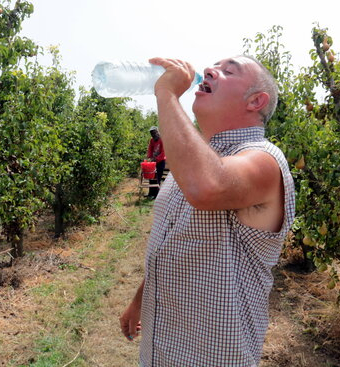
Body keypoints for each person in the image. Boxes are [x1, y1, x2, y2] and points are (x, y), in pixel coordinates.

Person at [119, 55, 295, 367]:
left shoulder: (265, 161)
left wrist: (167, 94)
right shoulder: (192, 163)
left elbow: (207, 187)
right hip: (161, 350)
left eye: (229, 71)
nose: (211, 70)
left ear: (256, 100)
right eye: (214, 66)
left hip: (212, 356)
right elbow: (173, 242)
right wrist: (139, 301)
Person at [146, 126, 166, 199]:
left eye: (154, 133)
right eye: (151, 134)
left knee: (157, 178)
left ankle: (156, 195)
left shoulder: (162, 139)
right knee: (151, 177)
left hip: (160, 162)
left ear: (157, 132)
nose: (153, 135)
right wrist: (150, 157)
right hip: (153, 162)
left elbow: (163, 152)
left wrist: (156, 159)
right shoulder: (152, 140)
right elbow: (150, 149)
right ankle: (150, 193)